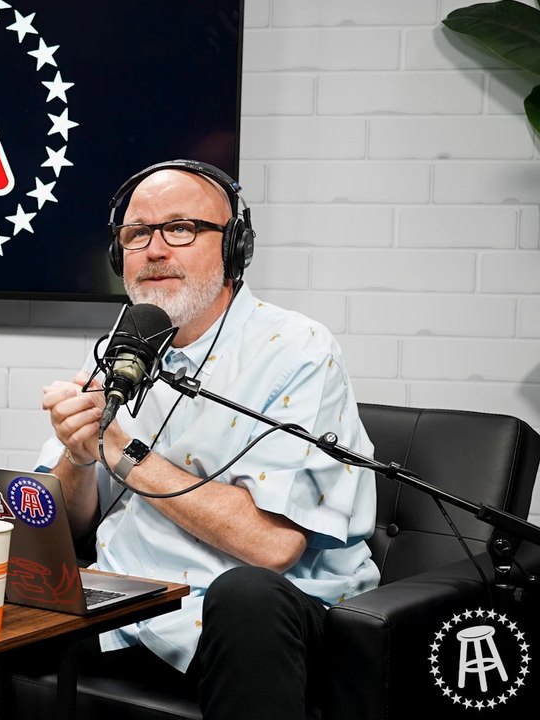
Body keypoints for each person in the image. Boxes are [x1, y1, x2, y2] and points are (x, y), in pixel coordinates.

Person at [37, 160, 379, 719]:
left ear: (235, 247)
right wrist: (77, 458)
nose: (154, 249)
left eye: (181, 228)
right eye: (137, 233)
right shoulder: (120, 347)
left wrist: (121, 451)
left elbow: (272, 548)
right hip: (130, 609)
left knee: (244, 597)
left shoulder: (297, 350)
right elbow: (72, 521)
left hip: (258, 617)